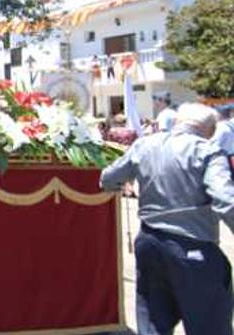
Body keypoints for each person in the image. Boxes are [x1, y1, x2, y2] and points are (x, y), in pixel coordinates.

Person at [100, 103, 234, 334]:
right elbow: (225, 200)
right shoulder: (208, 151)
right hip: (193, 244)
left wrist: (118, 187)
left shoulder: (146, 144)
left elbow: (108, 178)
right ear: (209, 129)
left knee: (153, 323)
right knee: (210, 324)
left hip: (149, 242)